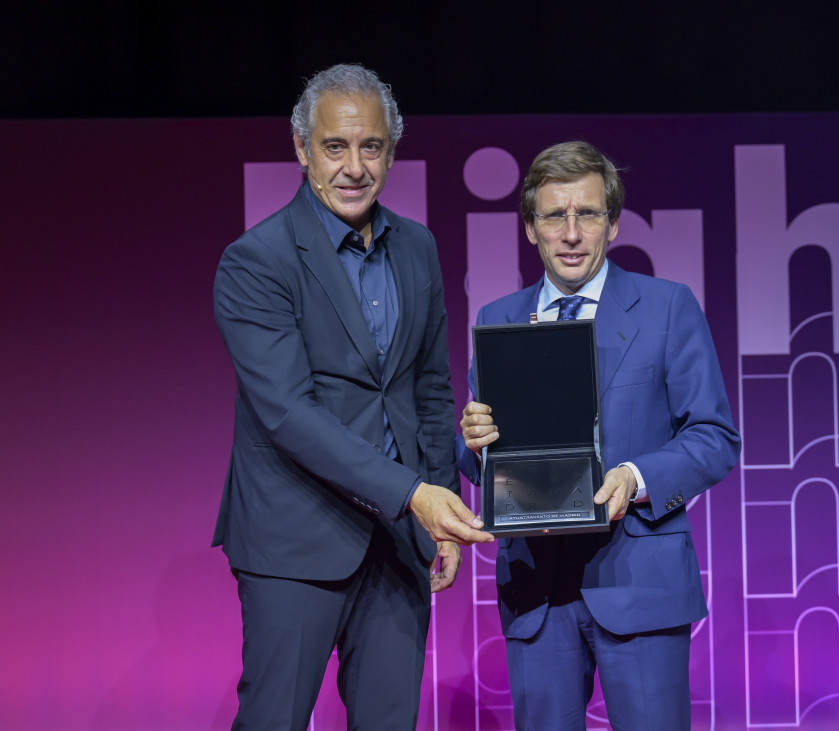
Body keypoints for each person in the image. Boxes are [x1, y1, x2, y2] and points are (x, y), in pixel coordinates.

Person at [212, 63, 493, 731]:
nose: (354, 166)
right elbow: (287, 413)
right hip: (294, 540)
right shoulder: (258, 260)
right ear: (302, 148)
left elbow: (430, 388)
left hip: (397, 544)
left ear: (392, 152)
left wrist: (432, 506)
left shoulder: (418, 248)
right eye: (335, 146)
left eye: (371, 146)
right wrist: (413, 494)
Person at [458, 140, 741, 730]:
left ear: (611, 222)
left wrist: (636, 477)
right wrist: (474, 440)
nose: (571, 232)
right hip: (536, 590)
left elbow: (714, 435)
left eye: (586, 214)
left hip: (639, 579)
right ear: (530, 228)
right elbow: (484, 460)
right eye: (553, 216)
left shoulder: (667, 307)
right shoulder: (497, 320)